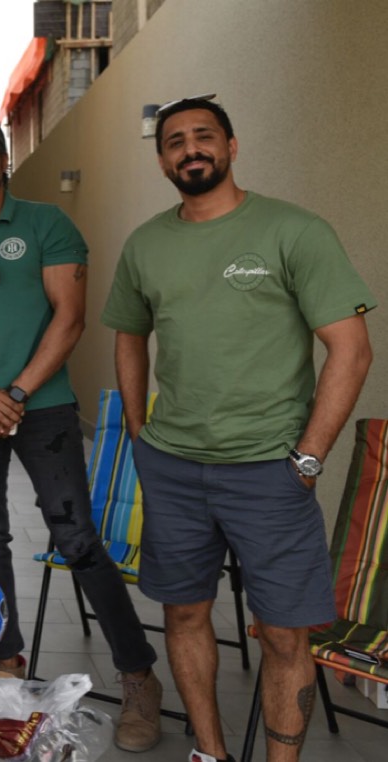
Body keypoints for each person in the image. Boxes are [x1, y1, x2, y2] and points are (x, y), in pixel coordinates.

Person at [103, 95, 376, 762]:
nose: (190, 149)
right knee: (183, 613)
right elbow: (129, 335)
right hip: (173, 468)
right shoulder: (146, 244)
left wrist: (308, 457)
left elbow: (351, 349)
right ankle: (210, 752)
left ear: (231, 146)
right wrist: (138, 431)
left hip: (269, 471)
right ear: (162, 159)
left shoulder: (294, 231)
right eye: (174, 141)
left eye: (204, 135)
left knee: (283, 634)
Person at [0, 109, 162, 753]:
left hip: (42, 409)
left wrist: (15, 394)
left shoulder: (48, 223)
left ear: (3, 160)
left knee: (76, 538)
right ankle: (8, 660)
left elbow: (69, 318)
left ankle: (138, 675)